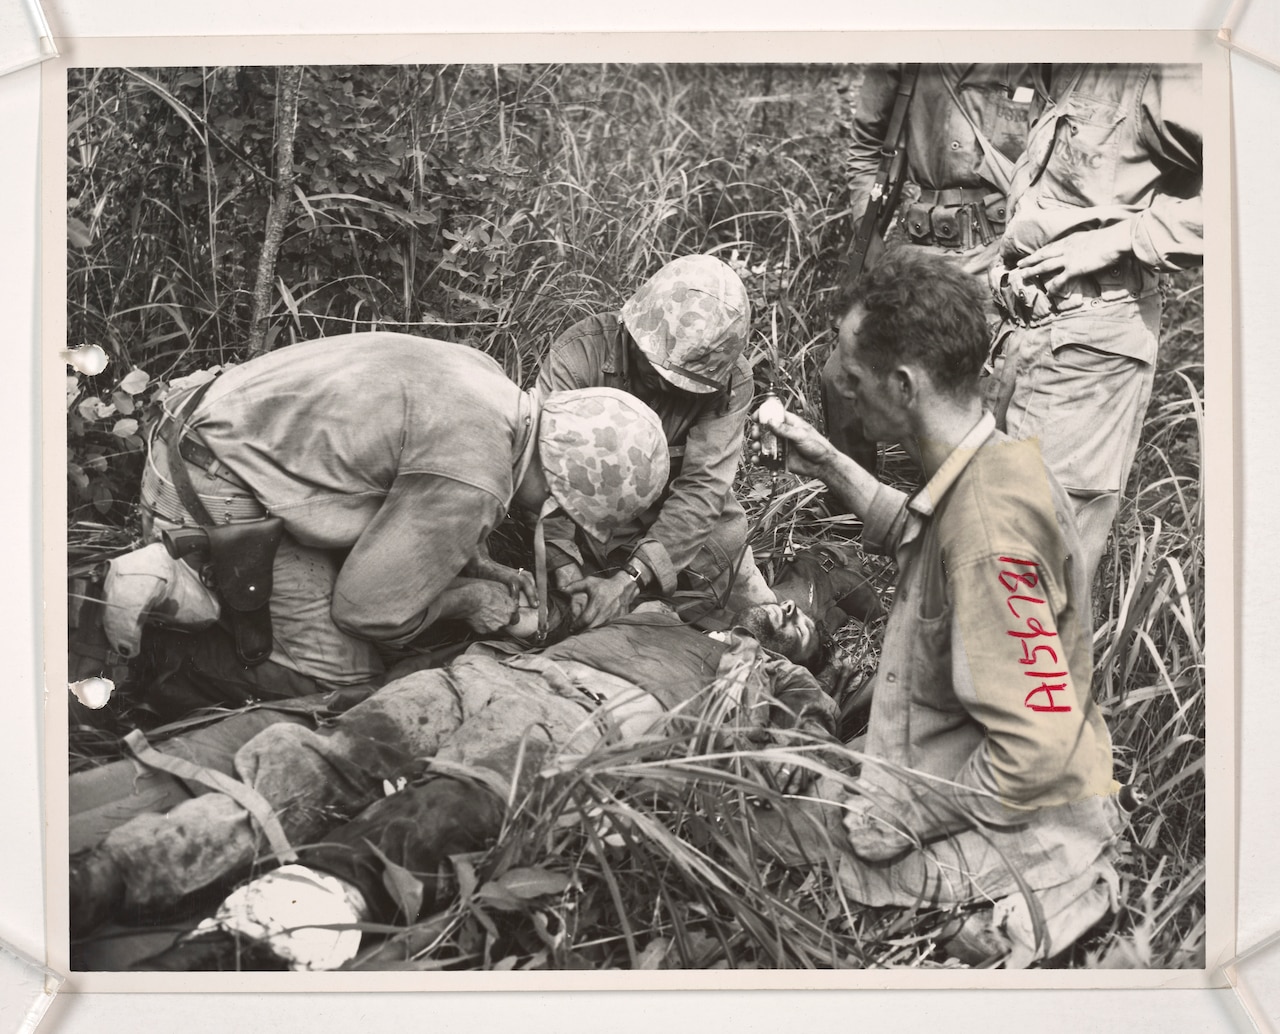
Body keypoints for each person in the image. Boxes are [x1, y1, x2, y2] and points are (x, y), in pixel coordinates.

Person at [69, 596, 840, 970]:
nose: (781, 616)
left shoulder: (775, 680)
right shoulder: (662, 610)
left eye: (801, 623)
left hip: (576, 726)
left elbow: (805, 748)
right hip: (483, 673)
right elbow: (561, 611)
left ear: (808, 652)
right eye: (782, 603)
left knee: (448, 809)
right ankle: (102, 878)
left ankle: (242, 950)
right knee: (322, 760)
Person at [758, 247, 1131, 967]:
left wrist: (898, 816)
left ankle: (992, 917)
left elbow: (1034, 749)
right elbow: (930, 537)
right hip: (963, 766)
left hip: (1024, 826)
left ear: (903, 385)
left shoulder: (989, 537)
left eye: (854, 374)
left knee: (747, 825)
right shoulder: (991, 463)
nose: (842, 385)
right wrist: (830, 463)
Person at [99, 333, 670, 718]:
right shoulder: (480, 478)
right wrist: (466, 601)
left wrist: (475, 560)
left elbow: (401, 476)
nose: (553, 515)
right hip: (209, 485)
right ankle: (154, 641)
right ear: (564, 480)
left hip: (221, 434)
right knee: (343, 685)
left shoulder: (494, 387)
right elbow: (368, 611)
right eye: (563, 507)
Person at [989, 63, 1203, 581]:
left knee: (1035, 569)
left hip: (1089, 347)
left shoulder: (1158, 70)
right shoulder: (1069, 61)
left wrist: (1125, 238)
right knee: (997, 539)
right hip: (1027, 332)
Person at [536, 254, 776, 631]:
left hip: (693, 539)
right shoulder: (580, 356)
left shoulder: (731, 380)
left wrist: (632, 578)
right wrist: (561, 563)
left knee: (768, 631)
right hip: (588, 530)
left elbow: (703, 487)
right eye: (660, 369)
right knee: (581, 631)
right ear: (634, 329)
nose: (667, 387)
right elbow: (545, 467)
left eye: (684, 382)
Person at [823, 63, 1037, 469]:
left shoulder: (1032, 50)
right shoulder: (909, 50)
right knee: (841, 375)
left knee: (992, 384)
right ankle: (856, 506)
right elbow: (868, 145)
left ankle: (968, 498)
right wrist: (868, 236)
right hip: (920, 249)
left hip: (1001, 248)